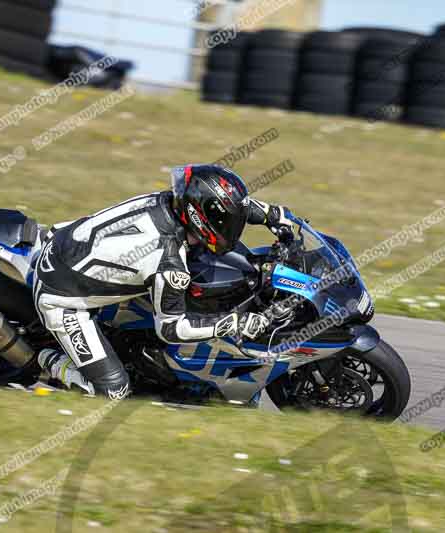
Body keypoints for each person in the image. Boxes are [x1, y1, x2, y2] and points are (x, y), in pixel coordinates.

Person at [33, 164, 293, 398]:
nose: (233, 228)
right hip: (61, 298)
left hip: (62, 243)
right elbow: (171, 330)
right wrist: (234, 323)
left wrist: (272, 215)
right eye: (227, 223)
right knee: (113, 392)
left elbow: (225, 205)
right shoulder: (170, 264)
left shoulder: (168, 201)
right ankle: (44, 361)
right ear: (201, 220)